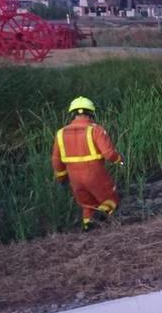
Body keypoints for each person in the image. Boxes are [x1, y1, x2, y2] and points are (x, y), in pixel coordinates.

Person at [51, 97, 124, 231]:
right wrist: (120, 160)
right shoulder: (95, 130)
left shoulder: (60, 133)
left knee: (88, 206)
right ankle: (99, 217)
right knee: (111, 200)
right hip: (95, 174)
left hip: (75, 178)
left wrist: (61, 177)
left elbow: (56, 160)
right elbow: (109, 154)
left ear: (72, 113)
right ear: (91, 113)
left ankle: (89, 231)